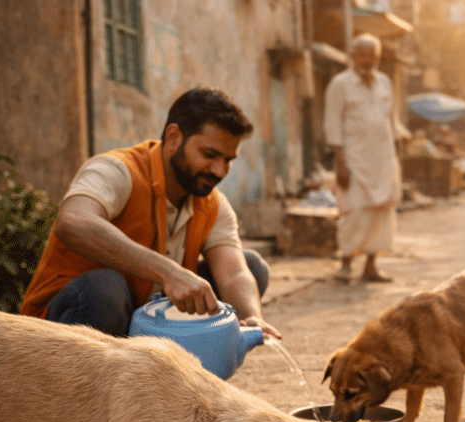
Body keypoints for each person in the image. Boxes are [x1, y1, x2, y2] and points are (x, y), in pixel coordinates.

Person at [21, 87, 281, 340]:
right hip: (58, 334)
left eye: (228, 160)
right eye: (209, 154)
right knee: (105, 289)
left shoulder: (212, 203)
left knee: (252, 267)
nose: (219, 171)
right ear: (174, 136)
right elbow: (73, 222)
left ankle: (183, 379)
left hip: (144, 323)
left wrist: (252, 317)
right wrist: (168, 272)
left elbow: (234, 272)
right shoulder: (117, 170)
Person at [324, 33, 401, 284]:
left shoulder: (385, 83)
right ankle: (346, 265)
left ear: (378, 58)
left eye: (372, 55)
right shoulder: (340, 84)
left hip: (383, 160)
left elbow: (392, 122)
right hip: (353, 161)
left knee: (381, 213)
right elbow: (332, 125)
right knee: (353, 212)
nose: (367, 60)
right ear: (353, 56)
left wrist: (396, 158)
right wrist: (340, 164)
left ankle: (371, 266)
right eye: (363, 54)